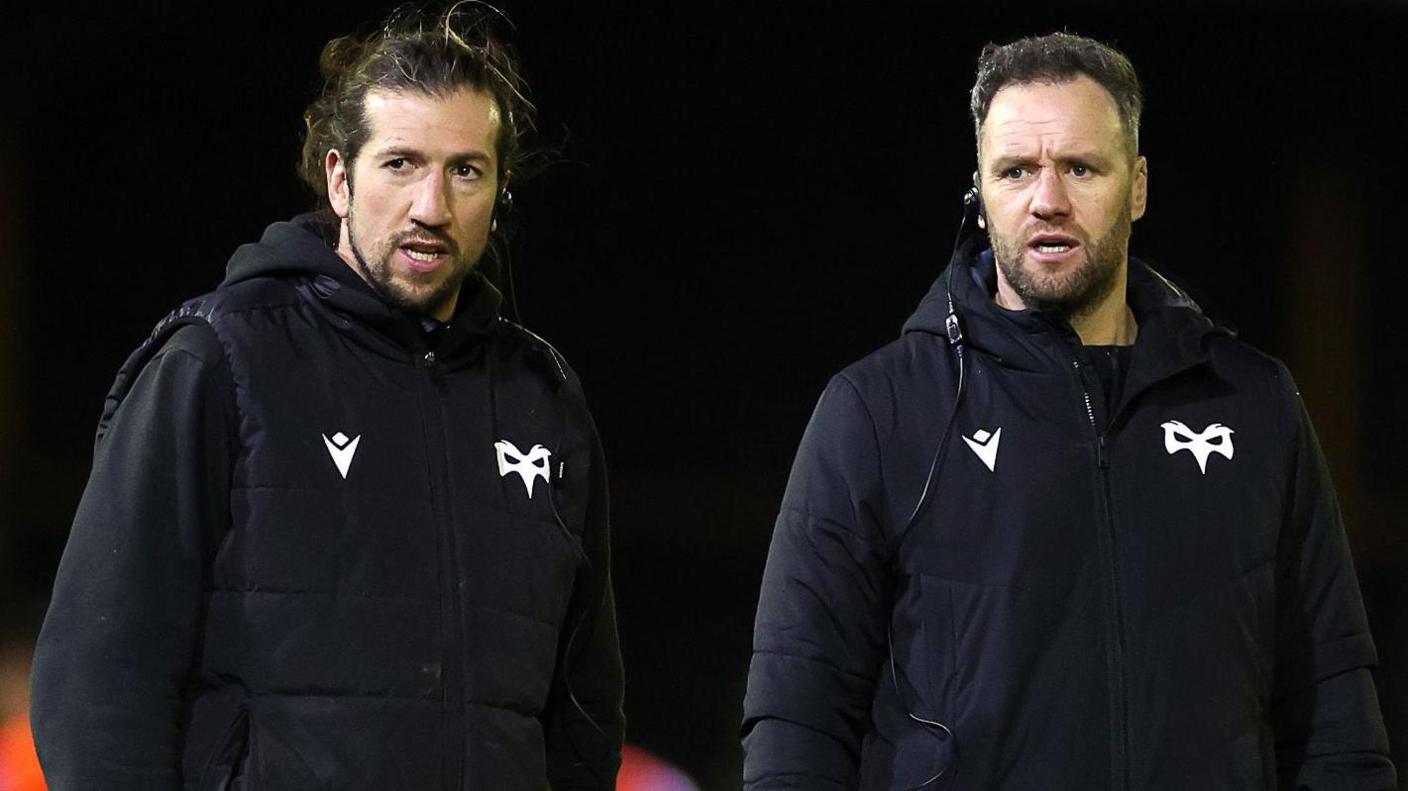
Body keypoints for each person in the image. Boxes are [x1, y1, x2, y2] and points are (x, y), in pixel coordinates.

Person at [742, 32, 1395, 790]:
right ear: (980, 194)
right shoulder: (878, 412)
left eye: (1080, 168)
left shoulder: (1253, 405)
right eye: (1016, 170)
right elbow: (798, 714)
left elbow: (1333, 711)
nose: (1047, 200)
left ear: (1138, 186)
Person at [30, 5, 623, 789]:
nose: (431, 207)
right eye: (401, 163)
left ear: (500, 189)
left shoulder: (543, 399)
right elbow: (98, 683)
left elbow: (585, 709)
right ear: (340, 179)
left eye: (465, 171)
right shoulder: (219, 363)